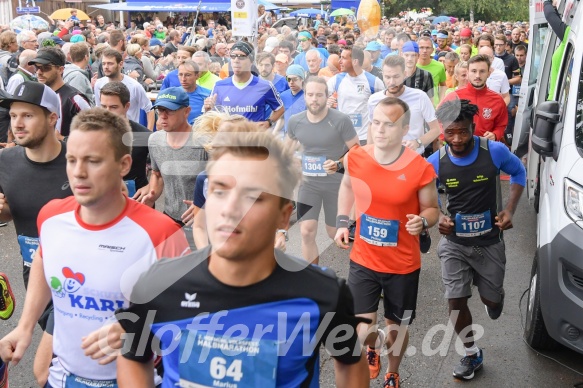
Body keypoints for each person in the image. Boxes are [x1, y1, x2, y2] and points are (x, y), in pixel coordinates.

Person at [115, 122, 369, 388]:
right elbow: (132, 356)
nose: (230, 209)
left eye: (253, 196)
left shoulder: (322, 294)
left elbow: (350, 364)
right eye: (220, 191)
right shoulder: (158, 283)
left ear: (284, 216)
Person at [0, 107, 189, 387]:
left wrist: (139, 331)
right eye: (72, 160)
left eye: (93, 161)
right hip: (64, 377)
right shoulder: (51, 216)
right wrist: (25, 327)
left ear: (124, 165)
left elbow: (189, 314)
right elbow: (43, 257)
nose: (78, 173)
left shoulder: (161, 233)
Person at [335, 96, 439, 388]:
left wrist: (424, 220)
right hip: (364, 259)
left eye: (389, 125)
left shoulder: (419, 167)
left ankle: (393, 372)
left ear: (405, 129)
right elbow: (346, 185)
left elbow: (432, 208)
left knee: (398, 328)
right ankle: (373, 343)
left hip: (403, 265)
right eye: (376, 122)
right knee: (361, 330)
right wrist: (344, 221)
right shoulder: (356, 157)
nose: (379, 130)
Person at [428, 99, 526, 380]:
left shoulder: (493, 151)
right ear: (442, 131)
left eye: (463, 132)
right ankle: (471, 353)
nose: (457, 139)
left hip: (489, 241)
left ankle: (493, 297)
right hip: (455, 244)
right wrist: (437, 214)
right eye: (450, 133)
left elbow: (519, 172)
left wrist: (509, 209)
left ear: (473, 127)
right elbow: (421, 189)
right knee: (455, 300)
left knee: (492, 304)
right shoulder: (436, 161)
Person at [0, 82, 72, 387]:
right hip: (36, 277)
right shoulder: (6, 161)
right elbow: (8, 212)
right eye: (14, 115)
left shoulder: (78, 160)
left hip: (81, 279)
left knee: (46, 370)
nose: (17, 123)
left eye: (28, 115)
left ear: (53, 117)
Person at [288, 76, 359, 264]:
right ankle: (314, 280)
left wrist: (339, 163)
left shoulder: (340, 120)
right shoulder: (295, 121)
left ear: (327, 96)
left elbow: (356, 149)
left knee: (334, 233)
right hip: (308, 184)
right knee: (306, 231)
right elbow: (287, 151)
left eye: (319, 95)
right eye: (310, 94)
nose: (314, 99)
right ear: (304, 96)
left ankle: (368, 271)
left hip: (335, 184)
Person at [134, 88, 207, 247]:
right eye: (160, 110)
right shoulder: (155, 140)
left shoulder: (204, 141)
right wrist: (152, 194)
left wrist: (204, 204)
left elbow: (222, 182)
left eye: (170, 111)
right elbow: (157, 174)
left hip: (201, 221)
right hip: (169, 218)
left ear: (186, 112)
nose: (163, 116)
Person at [368, 56, 440, 155]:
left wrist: (417, 142)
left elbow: (436, 129)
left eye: (396, 77)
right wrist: (369, 153)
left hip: (413, 158)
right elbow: (371, 127)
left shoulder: (420, 97)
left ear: (405, 74)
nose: (392, 82)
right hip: (383, 158)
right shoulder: (374, 100)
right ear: (382, 76)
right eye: (387, 77)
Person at [204, 41, 284, 127]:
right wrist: (207, 110)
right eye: (233, 56)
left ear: (251, 61)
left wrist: (269, 122)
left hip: (253, 139)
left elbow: (280, 109)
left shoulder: (265, 86)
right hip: (228, 139)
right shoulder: (219, 86)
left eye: (241, 57)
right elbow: (210, 117)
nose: (236, 60)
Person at [99, 81, 151, 196]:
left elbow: (161, 171)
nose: (107, 112)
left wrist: (150, 186)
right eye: (103, 106)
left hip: (137, 201)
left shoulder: (143, 135)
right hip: (103, 200)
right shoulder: (92, 135)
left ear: (127, 106)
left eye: (113, 107)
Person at [442, 55, 508, 142]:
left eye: (482, 71)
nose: (477, 75)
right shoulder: (453, 97)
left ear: (489, 73)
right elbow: (439, 122)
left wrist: (495, 135)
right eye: (474, 71)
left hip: (486, 149)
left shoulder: (498, 100)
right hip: (459, 149)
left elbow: (501, 125)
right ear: (468, 73)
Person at [327, 46, 384, 145]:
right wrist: (327, 103)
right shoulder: (336, 80)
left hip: (364, 138)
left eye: (344, 58)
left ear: (355, 61)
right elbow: (319, 96)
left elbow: (384, 107)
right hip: (342, 137)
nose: (339, 61)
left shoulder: (374, 81)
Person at [94, 49, 155, 130]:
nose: (106, 67)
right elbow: (99, 108)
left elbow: (149, 109)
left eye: (110, 63)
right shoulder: (98, 84)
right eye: (104, 64)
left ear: (121, 64)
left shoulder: (134, 86)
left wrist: (148, 134)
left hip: (130, 133)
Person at [273, 64, 306, 138]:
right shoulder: (283, 96)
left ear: (302, 79)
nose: (291, 82)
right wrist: (273, 134)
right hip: (287, 137)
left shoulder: (308, 97)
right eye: (288, 79)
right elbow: (282, 118)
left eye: (295, 79)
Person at [178, 60, 211, 125]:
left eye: (188, 75)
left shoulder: (208, 95)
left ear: (197, 76)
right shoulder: (172, 94)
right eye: (180, 74)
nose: (183, 79)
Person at [416, 36, 447, 104]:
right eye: (421, 47)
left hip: (433, 107)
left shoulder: (439, 66)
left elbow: (443, 85)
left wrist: (441, 102)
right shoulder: (411, 66)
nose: (424, 51)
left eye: (427, 48)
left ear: (432, 50)